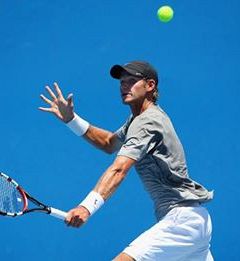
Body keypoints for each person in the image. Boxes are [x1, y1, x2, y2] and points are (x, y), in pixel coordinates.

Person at [39, 61, 214, 261]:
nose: (124, 86)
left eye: (132, 81)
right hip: (196, 222)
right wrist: (71, 119)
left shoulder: (146, 122)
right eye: (122, 82)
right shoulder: (137, 121)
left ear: (150, 85)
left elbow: (119, 169)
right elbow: (108, 143)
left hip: (183, 220)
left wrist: (86, 207)